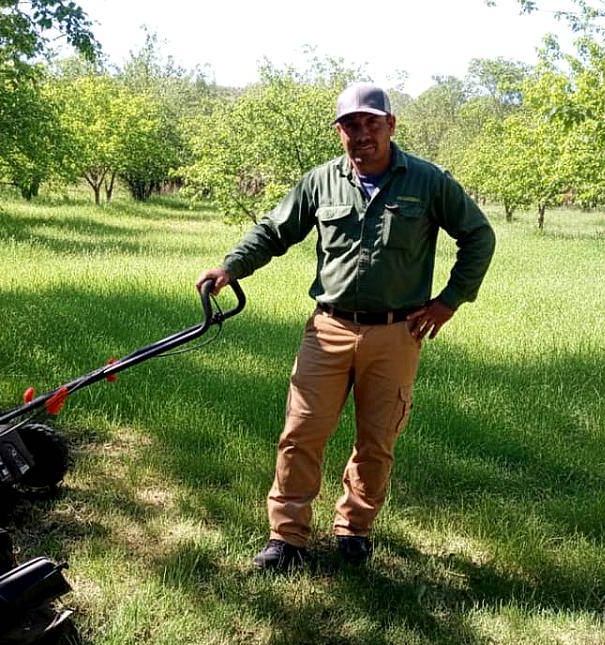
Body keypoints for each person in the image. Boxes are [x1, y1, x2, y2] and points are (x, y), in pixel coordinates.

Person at [195, 82, 495, 570]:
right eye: (350, 125)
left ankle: (354, 528)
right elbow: (274, 231)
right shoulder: (320, 181)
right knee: (301, 432)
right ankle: (287, 537)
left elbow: (478, 236)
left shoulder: (428, 181)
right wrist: (231, 268)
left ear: (390, 125)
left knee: (377, 439)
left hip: (398, 333)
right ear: (340, 132)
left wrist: (449, 301)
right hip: (328, 328)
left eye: (371, 123)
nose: (361, 134)